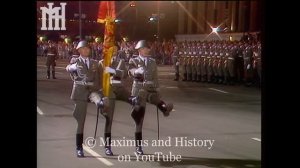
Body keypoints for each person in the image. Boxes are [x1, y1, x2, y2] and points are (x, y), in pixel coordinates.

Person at [128, 40, 174, 155]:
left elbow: (155, 78)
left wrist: (158, 89)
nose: (147, 50)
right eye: (144, 48)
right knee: (139, 120)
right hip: (138, 90)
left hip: (150, 88)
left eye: (148, 48)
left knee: (155, 98)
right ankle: (138, 147)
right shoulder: (134, 60)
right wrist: (136, 72)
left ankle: (164, 109)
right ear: (139, 50)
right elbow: (131, 71)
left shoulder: (152, 62)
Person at [65, 40, 109, 158]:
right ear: (79, 50)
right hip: (80, 91)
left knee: (103, 103)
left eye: (88, 48)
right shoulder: (75, 61)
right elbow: (68, 68)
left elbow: (99, 79)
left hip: (92, 91)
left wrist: (101, 92)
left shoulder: (95, 63)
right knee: (81, 120)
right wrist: (72, 67)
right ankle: (79, 147)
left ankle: (100, 105)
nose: (86, 50)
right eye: (83, 48)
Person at [98, 46, 135, 156]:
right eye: (111, 50)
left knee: (136, 101)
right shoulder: (101, 63)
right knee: (109, 119)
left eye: (115, 50)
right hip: (108, 91)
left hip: (119, 89)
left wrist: (113, 70)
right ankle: (107, 147)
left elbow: (124, 75)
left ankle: (138, 142)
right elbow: (98, 79)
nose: (113, 52)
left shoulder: (121, 62)